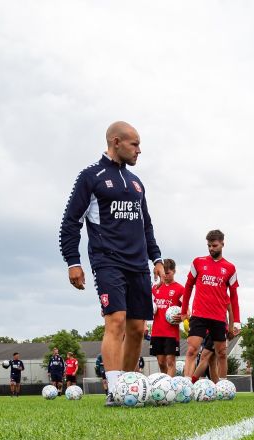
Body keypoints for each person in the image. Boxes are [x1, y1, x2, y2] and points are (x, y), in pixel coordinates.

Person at [59, 121, 164, 406]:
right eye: (134, 144)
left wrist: (156, 258)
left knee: (137, 329)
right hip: (108, 261)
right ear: (116, 142)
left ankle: (130, 388)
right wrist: (73, 261)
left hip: (138, 265)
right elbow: (70, 223)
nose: (139, 150)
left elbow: (147, 225)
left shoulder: (136, 183)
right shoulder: (90, 177)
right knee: (115, 320)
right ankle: (114, 390)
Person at [180, 230, 241, 383]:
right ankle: (187, 383)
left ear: (222, 244)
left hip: (219, 318)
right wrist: (183, 311)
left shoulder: (230, 268)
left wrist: (236, 322)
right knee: (192, 350)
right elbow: (188, 287)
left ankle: (223, 385)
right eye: (209, 246)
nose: (211, 249)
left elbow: (233, 297)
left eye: (214, 245)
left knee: (221, 353)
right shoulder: (198, 262)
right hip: (199, 315)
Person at [151, 259, 184, 376]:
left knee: (170, 361)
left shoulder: (180, 289)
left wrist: (182, 317)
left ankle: (170, 388)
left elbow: (187, 311)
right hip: (156, 332)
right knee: (161, 362)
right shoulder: (155, 288)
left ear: (174, 271)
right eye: (163, 273)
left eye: (168, 273)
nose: (165, 276)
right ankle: (166, 384)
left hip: (171, 333)